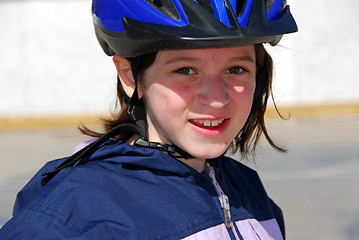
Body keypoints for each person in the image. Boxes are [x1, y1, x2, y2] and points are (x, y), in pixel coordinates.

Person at [0, 0, 297, 239]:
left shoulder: (247, 188)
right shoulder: (77, 212)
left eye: (236, 69)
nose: (217, 98)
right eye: (185, 70)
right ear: (130, 76)